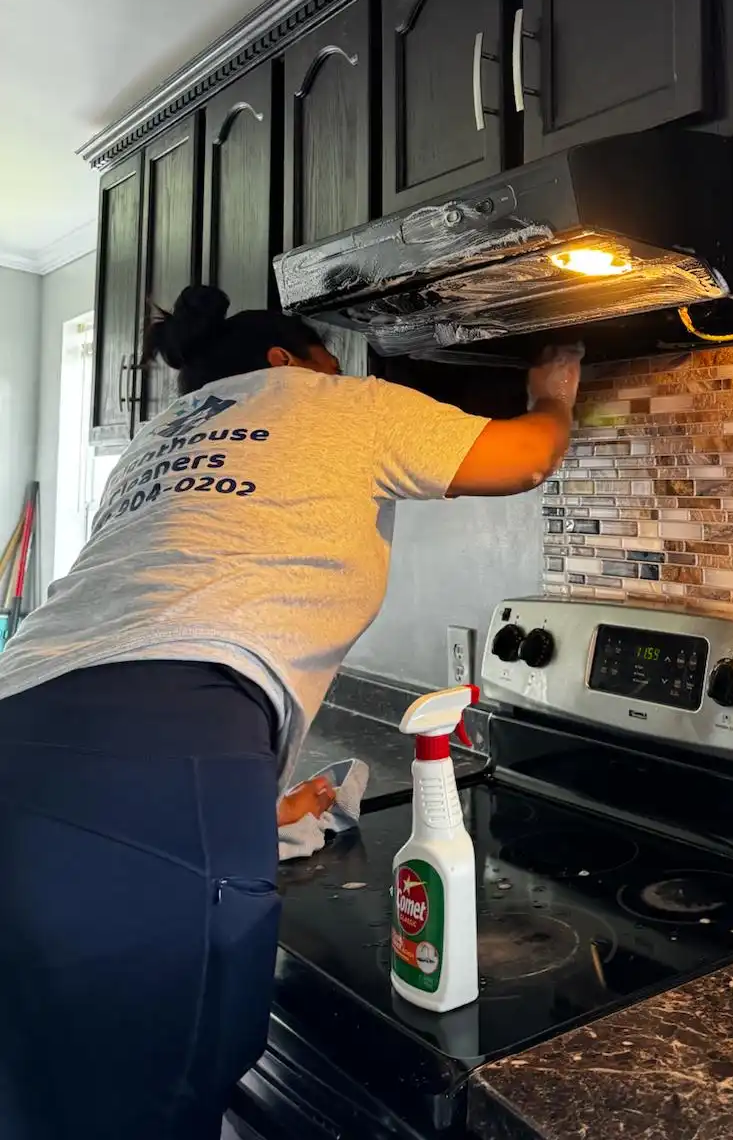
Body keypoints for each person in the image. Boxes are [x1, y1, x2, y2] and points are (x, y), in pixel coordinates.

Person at [0, 285, 582, 1140]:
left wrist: (233, 803)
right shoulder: (331, 401)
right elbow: (522, 458)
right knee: (141, 1105)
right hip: (156, 755)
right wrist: (553, 395)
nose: (342, 370)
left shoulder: (152, 443)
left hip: (24, 720)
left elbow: (149, 622)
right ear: (286, 360)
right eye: (329, 355)